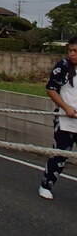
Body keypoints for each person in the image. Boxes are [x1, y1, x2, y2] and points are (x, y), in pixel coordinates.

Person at [39, 36, 77, 200]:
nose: (72, 54)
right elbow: (51, 89)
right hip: (65, 118)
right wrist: (66, 107)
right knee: (60, 154)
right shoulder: (63, 66)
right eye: (70, 50)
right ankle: (46, 185)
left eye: (75, 51)